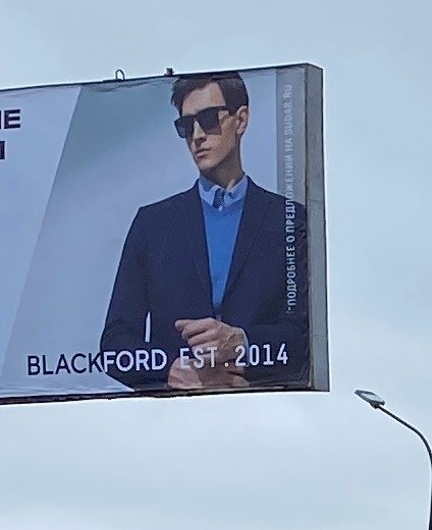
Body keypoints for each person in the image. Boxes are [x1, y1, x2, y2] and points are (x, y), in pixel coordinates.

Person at [97, 72, 312, 393]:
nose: (197, 135)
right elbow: (115, 343)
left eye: (209, 119)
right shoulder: (153, 224)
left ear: (241, 120)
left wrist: (243, 343)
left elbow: (304, 335)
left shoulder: (288, 219)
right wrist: (171, 370)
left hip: (267, 411)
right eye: (186, 126)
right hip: (170, 417)